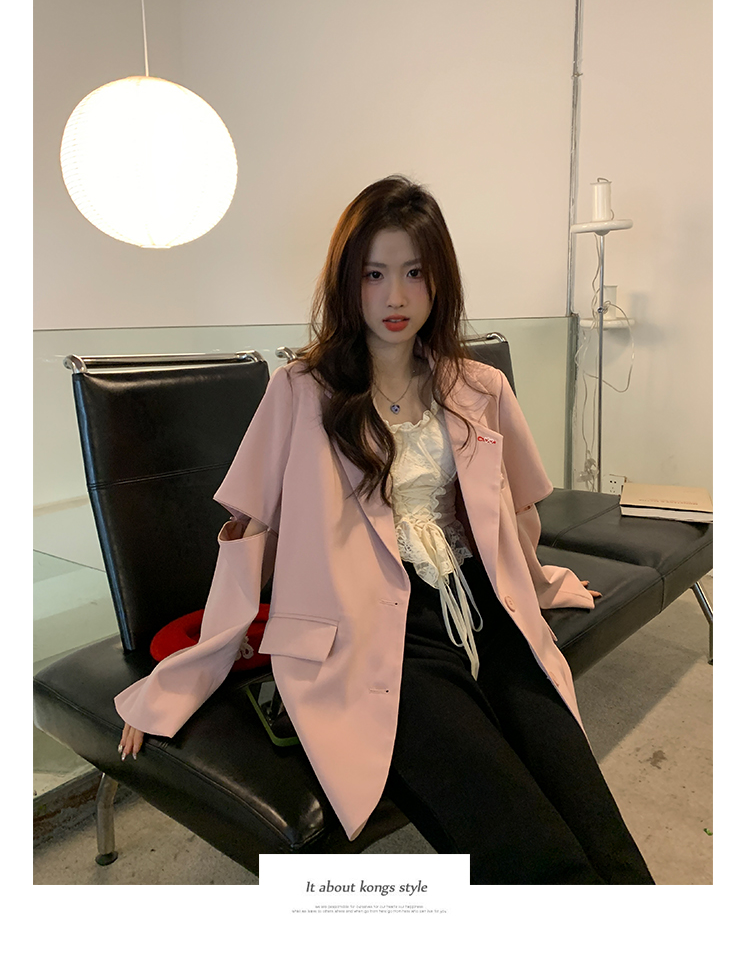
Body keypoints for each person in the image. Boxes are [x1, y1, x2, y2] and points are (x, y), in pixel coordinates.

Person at [117, 175, 654, 885]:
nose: (394, 296)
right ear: (347, 282)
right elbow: (249, 535)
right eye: (373, 274)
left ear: (439, 280)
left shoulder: (478, 387)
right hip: (373, 630)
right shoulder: (300, 391)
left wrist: (541, 583)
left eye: (413, 272)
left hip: (483, 607)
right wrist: (187, 672)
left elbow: (515, 514)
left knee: (604, 838)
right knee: (535, 856)